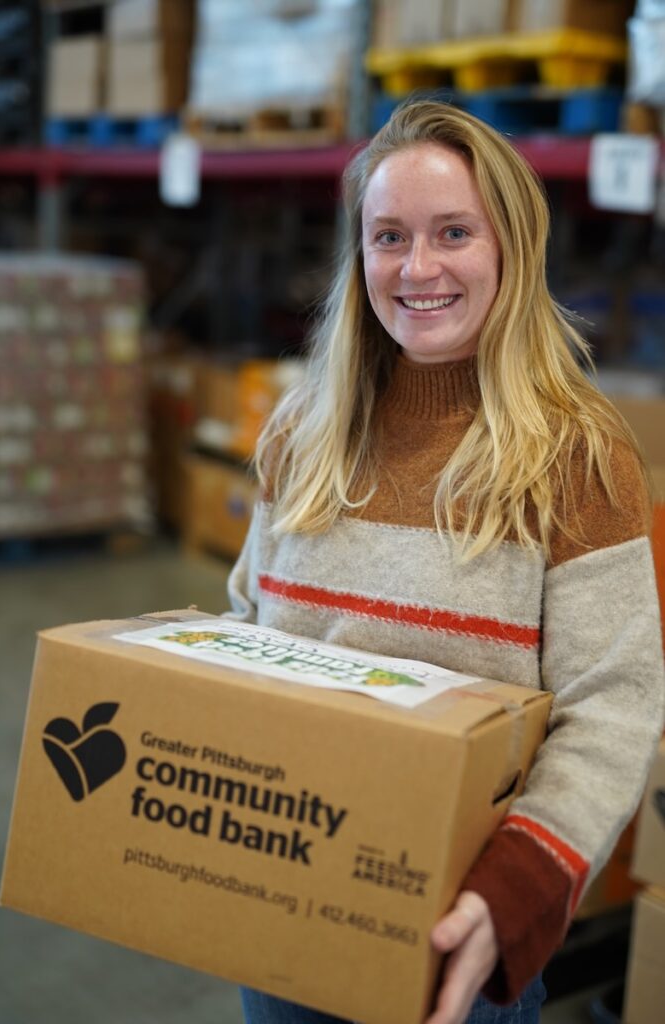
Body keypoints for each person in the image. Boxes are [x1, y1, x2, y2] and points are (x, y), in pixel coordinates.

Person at [225, 100, 665, 1024]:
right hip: (283, 920)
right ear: (360, 257)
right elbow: (243, 631)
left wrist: (510, 896)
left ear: (511, 247)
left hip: (458, 944)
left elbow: (614, 709)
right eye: (388, 236)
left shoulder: (575, 456)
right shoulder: (301, 433)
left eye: (452, 232)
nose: (417, 268)